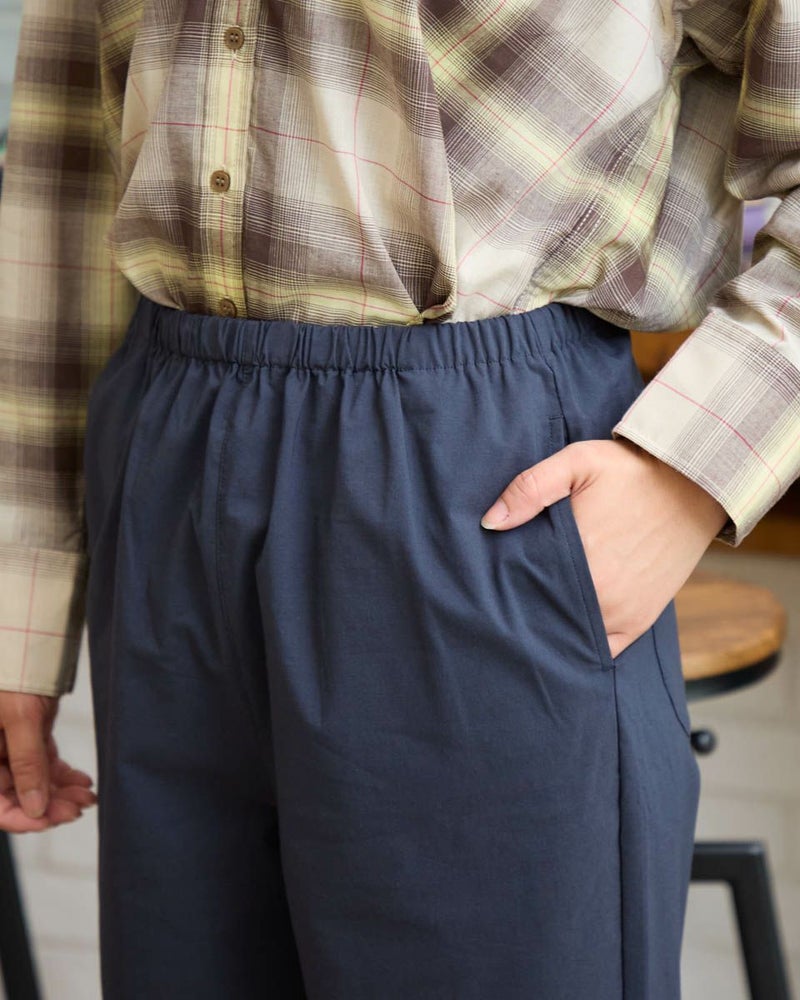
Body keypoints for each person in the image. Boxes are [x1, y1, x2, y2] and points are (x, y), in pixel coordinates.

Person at [0, 1, 797, 997]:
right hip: (170, 457)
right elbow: (64, 165)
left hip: (476, 468)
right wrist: (22, 604)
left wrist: (688, 473)